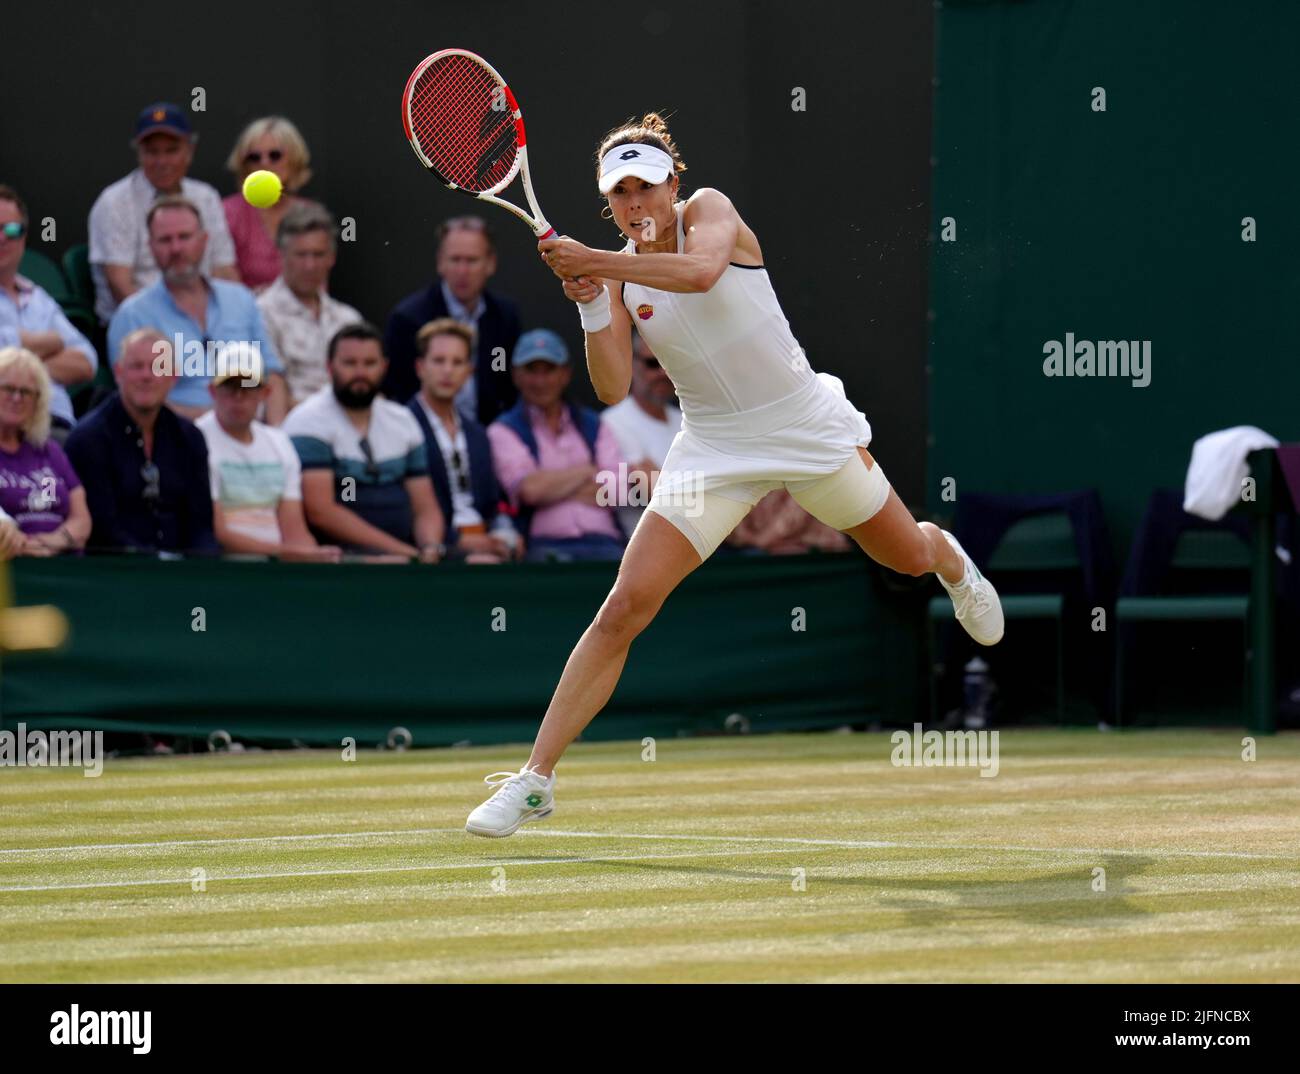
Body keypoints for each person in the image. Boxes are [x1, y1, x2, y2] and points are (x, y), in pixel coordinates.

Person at [466, 112, 1005, 837]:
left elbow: (702, 272)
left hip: (804, 426)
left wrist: (599, 261)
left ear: (673, 186)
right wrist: (595, 304)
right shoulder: (621, 278)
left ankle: (949, 556)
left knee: (907, 556)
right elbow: (613, 387)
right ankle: (537, 780)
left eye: (646, 188)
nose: (635, 205)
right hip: (713, 448)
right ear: (609, 201)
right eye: (620, 194)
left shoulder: (710, 211)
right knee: (625, 606)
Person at [107, 196, 289, 423]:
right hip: (177, 437)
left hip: (250, 434)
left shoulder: (241, 299)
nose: (176, 248)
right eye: (165, 240)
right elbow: (132, 398)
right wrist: (215, 422)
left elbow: (272, 375)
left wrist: (276, 438)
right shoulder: (132, 315)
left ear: (204, 240)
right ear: (151, 248)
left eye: (184, 237)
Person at [282, 322, 445, 560]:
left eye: (369, 364)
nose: (360, 373)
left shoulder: (403, 420)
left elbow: (425, 506)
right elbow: (321, 512)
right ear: (329, 367)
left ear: (384, 367)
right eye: (350, 363)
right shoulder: (307, 421)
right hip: (340, 559)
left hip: (406, 555)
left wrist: (430, 547)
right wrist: (404, 553)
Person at [65, 328, 218, 554]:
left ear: (173, 377)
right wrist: (156, 563)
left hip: (185, 574)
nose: (147, 375)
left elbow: (201, 525)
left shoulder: (190, 438)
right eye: (137, 366)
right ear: (118, 373)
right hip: (116, 572)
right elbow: (102, 529)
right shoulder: (88, 439)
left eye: (158, 367)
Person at [88, 102, 238, 324]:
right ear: (139, 154)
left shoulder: (206, 196)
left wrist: (226, 321)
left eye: (171, 150)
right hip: (138, 328)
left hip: (206, 323)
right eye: (152, 152)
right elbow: (119, 285)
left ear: (190, 151)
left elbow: (225, 271)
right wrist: (173, 327)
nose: (162, 162)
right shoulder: (114, 202)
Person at [488, 329, 626, 563]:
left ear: (565, 374)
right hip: (544, 548)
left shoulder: (593, 424)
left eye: (549, 370)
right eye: (532, 370)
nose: (540, 381)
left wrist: (551, 487)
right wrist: (587, 472)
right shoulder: (503, 429)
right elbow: (530, 490)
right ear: (516, 375)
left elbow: (619, 490)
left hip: (607, 546)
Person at [197, 345, 341, 562]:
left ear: (265, 393)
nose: (238, 396)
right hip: (220, 572)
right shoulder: (197, 440)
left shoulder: (279, 442)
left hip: (274, 570)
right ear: (212, 391)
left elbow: (294, 530)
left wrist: (316, 560)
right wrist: (291, 554)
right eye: (229, 386)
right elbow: (218, 533)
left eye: (248, 386)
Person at [382, 215, 521, 421]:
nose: (462, 271)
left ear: (490, 263)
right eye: (455, 259)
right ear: (440, 262)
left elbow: (509, 390)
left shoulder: (506, 316)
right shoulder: (407, 319)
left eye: (472, 260)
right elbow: (397, 393)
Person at [408, 318, 521, 563]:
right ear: (420, 367)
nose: (448, 370)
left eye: (457, 362)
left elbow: (493, 503)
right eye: (439, 361)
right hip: (434, 549)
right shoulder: (402, 425)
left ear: (469, 372)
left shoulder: (477, 434)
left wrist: (508, 534)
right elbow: (402, 506)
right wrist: (456, 541)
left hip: (485, 540)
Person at [0, 186, 98, 441]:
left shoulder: (38, 297)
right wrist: (51, 342)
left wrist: (15, 365)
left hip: (57, 430)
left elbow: (86, 363)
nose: (2, 238)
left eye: (11, 230)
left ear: (24, 236)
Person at [256, 203, 362, 409]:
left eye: (318, 255)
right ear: (282, 255)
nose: (310, 265)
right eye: (301, 255)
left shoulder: (348, 319)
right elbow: (268, 394)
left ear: (331, 258)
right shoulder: (261, 313)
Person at [0, 347, 90, 554]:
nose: (16, 398)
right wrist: (23, 545)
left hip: (63, 561)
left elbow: (82, 519)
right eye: (8, 388)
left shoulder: (50, 450)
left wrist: (53, 542)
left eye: (26, 392)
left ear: (38, 401)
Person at [599, 328, 681, 536]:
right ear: (632, 364)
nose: (662, 373)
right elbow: (647, 489)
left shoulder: (687, 419)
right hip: (650, 544)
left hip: (712, 540)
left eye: (668, 363)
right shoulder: (613, 422)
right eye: (652, 363)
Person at [223, 116, 318, 291]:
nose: (264, 163)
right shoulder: (228, 213)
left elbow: (318, 283)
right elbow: (225, 285)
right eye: (254, 157)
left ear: (294, 160)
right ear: (245, 166)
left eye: (275, 155)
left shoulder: (310, 213)